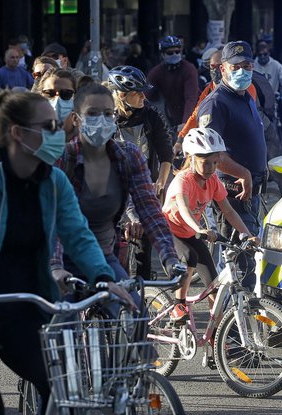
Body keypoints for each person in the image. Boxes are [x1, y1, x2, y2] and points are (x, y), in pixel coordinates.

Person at [0, 91, 133, 414]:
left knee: (62, 390)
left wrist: (103, 276)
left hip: (25, 306)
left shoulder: (54, 182)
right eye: (49, 126)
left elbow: (78, 234)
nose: (59, 132)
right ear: (17, 133)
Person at [53, 82, 180, 288]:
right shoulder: (62, 159)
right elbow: (52, 220)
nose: (101, 120)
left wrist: (170, 258)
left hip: (105, 258)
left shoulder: (128, 155)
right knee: (66, 315)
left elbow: (149, 208)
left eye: (108, 113)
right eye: (92, 113)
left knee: (133, 311)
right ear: (76, 119)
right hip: (64, 262)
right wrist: (55, 266)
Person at [162, 127, 258, 321]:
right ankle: (177, 305)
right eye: (206, 163)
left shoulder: (213, 180)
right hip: (169, 230)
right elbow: (183, 209)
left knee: (213, 284)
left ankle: (216, 336)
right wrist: (199, 229)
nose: (211, 168)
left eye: (215, 162)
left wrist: (247, 234)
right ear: (191, 159)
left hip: (192, 232)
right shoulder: (183, 181)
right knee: (189, 257)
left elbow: (229, 211)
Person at [107, 65, 174, 279]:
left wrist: (160, 183)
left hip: (144, 189)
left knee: (143, 257)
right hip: (113, 192)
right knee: (116, 256)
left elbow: (166, 154)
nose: (143, 96)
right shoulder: (106, 120)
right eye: (138, 93)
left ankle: (141, 300)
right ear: (122, 95)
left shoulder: (150, 114)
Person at [196, 41, 268, 237]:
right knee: (241, 258)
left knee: (250, 250)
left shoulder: (245, 96)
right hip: (232, 192)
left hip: (251, 191)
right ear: (223, 68)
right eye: (235, 67)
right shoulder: (216, 103)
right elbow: (210, 154)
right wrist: (243, 173)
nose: (242, 72)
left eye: (246, 66)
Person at [175, 46, 257, 154]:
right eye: (212, 67)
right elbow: (196, 115)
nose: (216, 70)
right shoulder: (209, 90)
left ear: (226, 67)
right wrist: (180, 140)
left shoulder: (243, 87)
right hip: (215, 145)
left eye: (219, 66)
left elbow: (245, 120)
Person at [145, 35, 199, 134]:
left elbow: (191, 98)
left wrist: (186, 123)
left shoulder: (189, 69)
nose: (174, 54)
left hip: (194, 114)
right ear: (162, 55)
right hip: (172, 115)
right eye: (170, 52)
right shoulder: (157, 71)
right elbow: (145, 95)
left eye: (177, 51)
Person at [34, 69, 76, 142]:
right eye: (49, 93)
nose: (57, 100)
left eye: (66, 94)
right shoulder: (32, 139)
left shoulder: (85, 142)